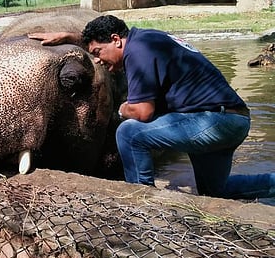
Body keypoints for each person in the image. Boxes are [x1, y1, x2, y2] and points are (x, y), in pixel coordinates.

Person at [29, 14, 275, 200]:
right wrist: (71, 38)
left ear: (116, 40)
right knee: (216, 192)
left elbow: (143, 112)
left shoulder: (137, 53)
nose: (97, 60)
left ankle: (143, 204)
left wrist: (122, 108)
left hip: (213, 122)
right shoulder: (147, 39)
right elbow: (105, 45)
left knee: (130, 133)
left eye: (97, 52)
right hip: (234, 119)